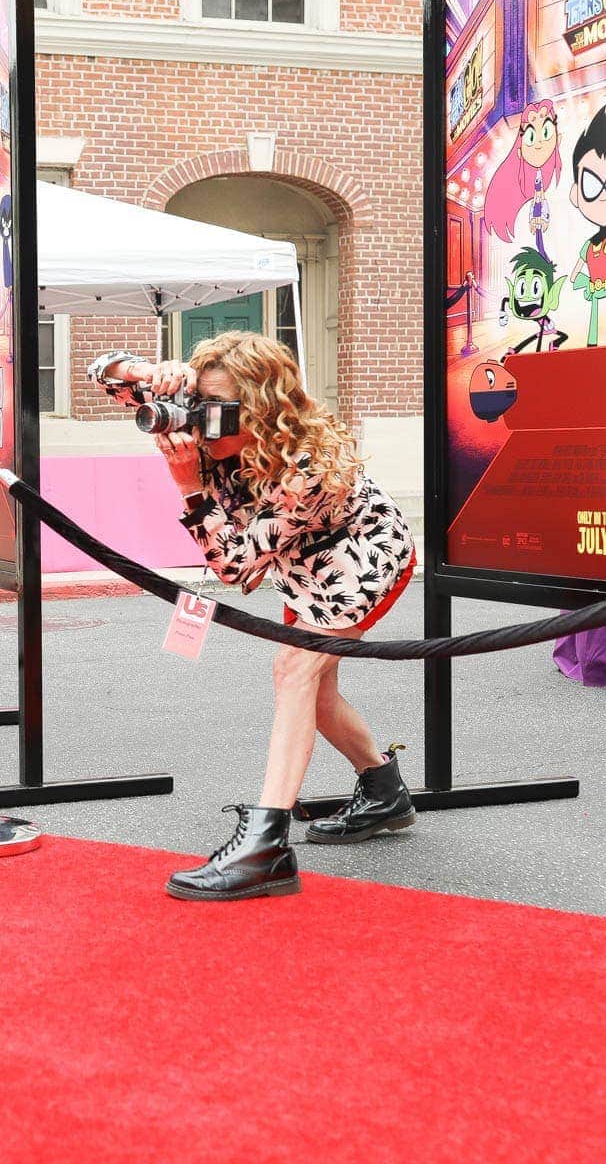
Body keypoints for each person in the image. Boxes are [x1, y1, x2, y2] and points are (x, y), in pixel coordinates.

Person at [90, 331, 419, 901]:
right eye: (198, 406)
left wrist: (190, 487)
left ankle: (267, 845)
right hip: (298, 565)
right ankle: (385, 790)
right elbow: (103, 372)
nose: (199, 424)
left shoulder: (309, 464)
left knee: (293, 671)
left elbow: (238, 569)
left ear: (264, 410)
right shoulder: (197, 416)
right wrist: (153, 371)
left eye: (219, 412)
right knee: (314, 695)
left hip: (360, 559)